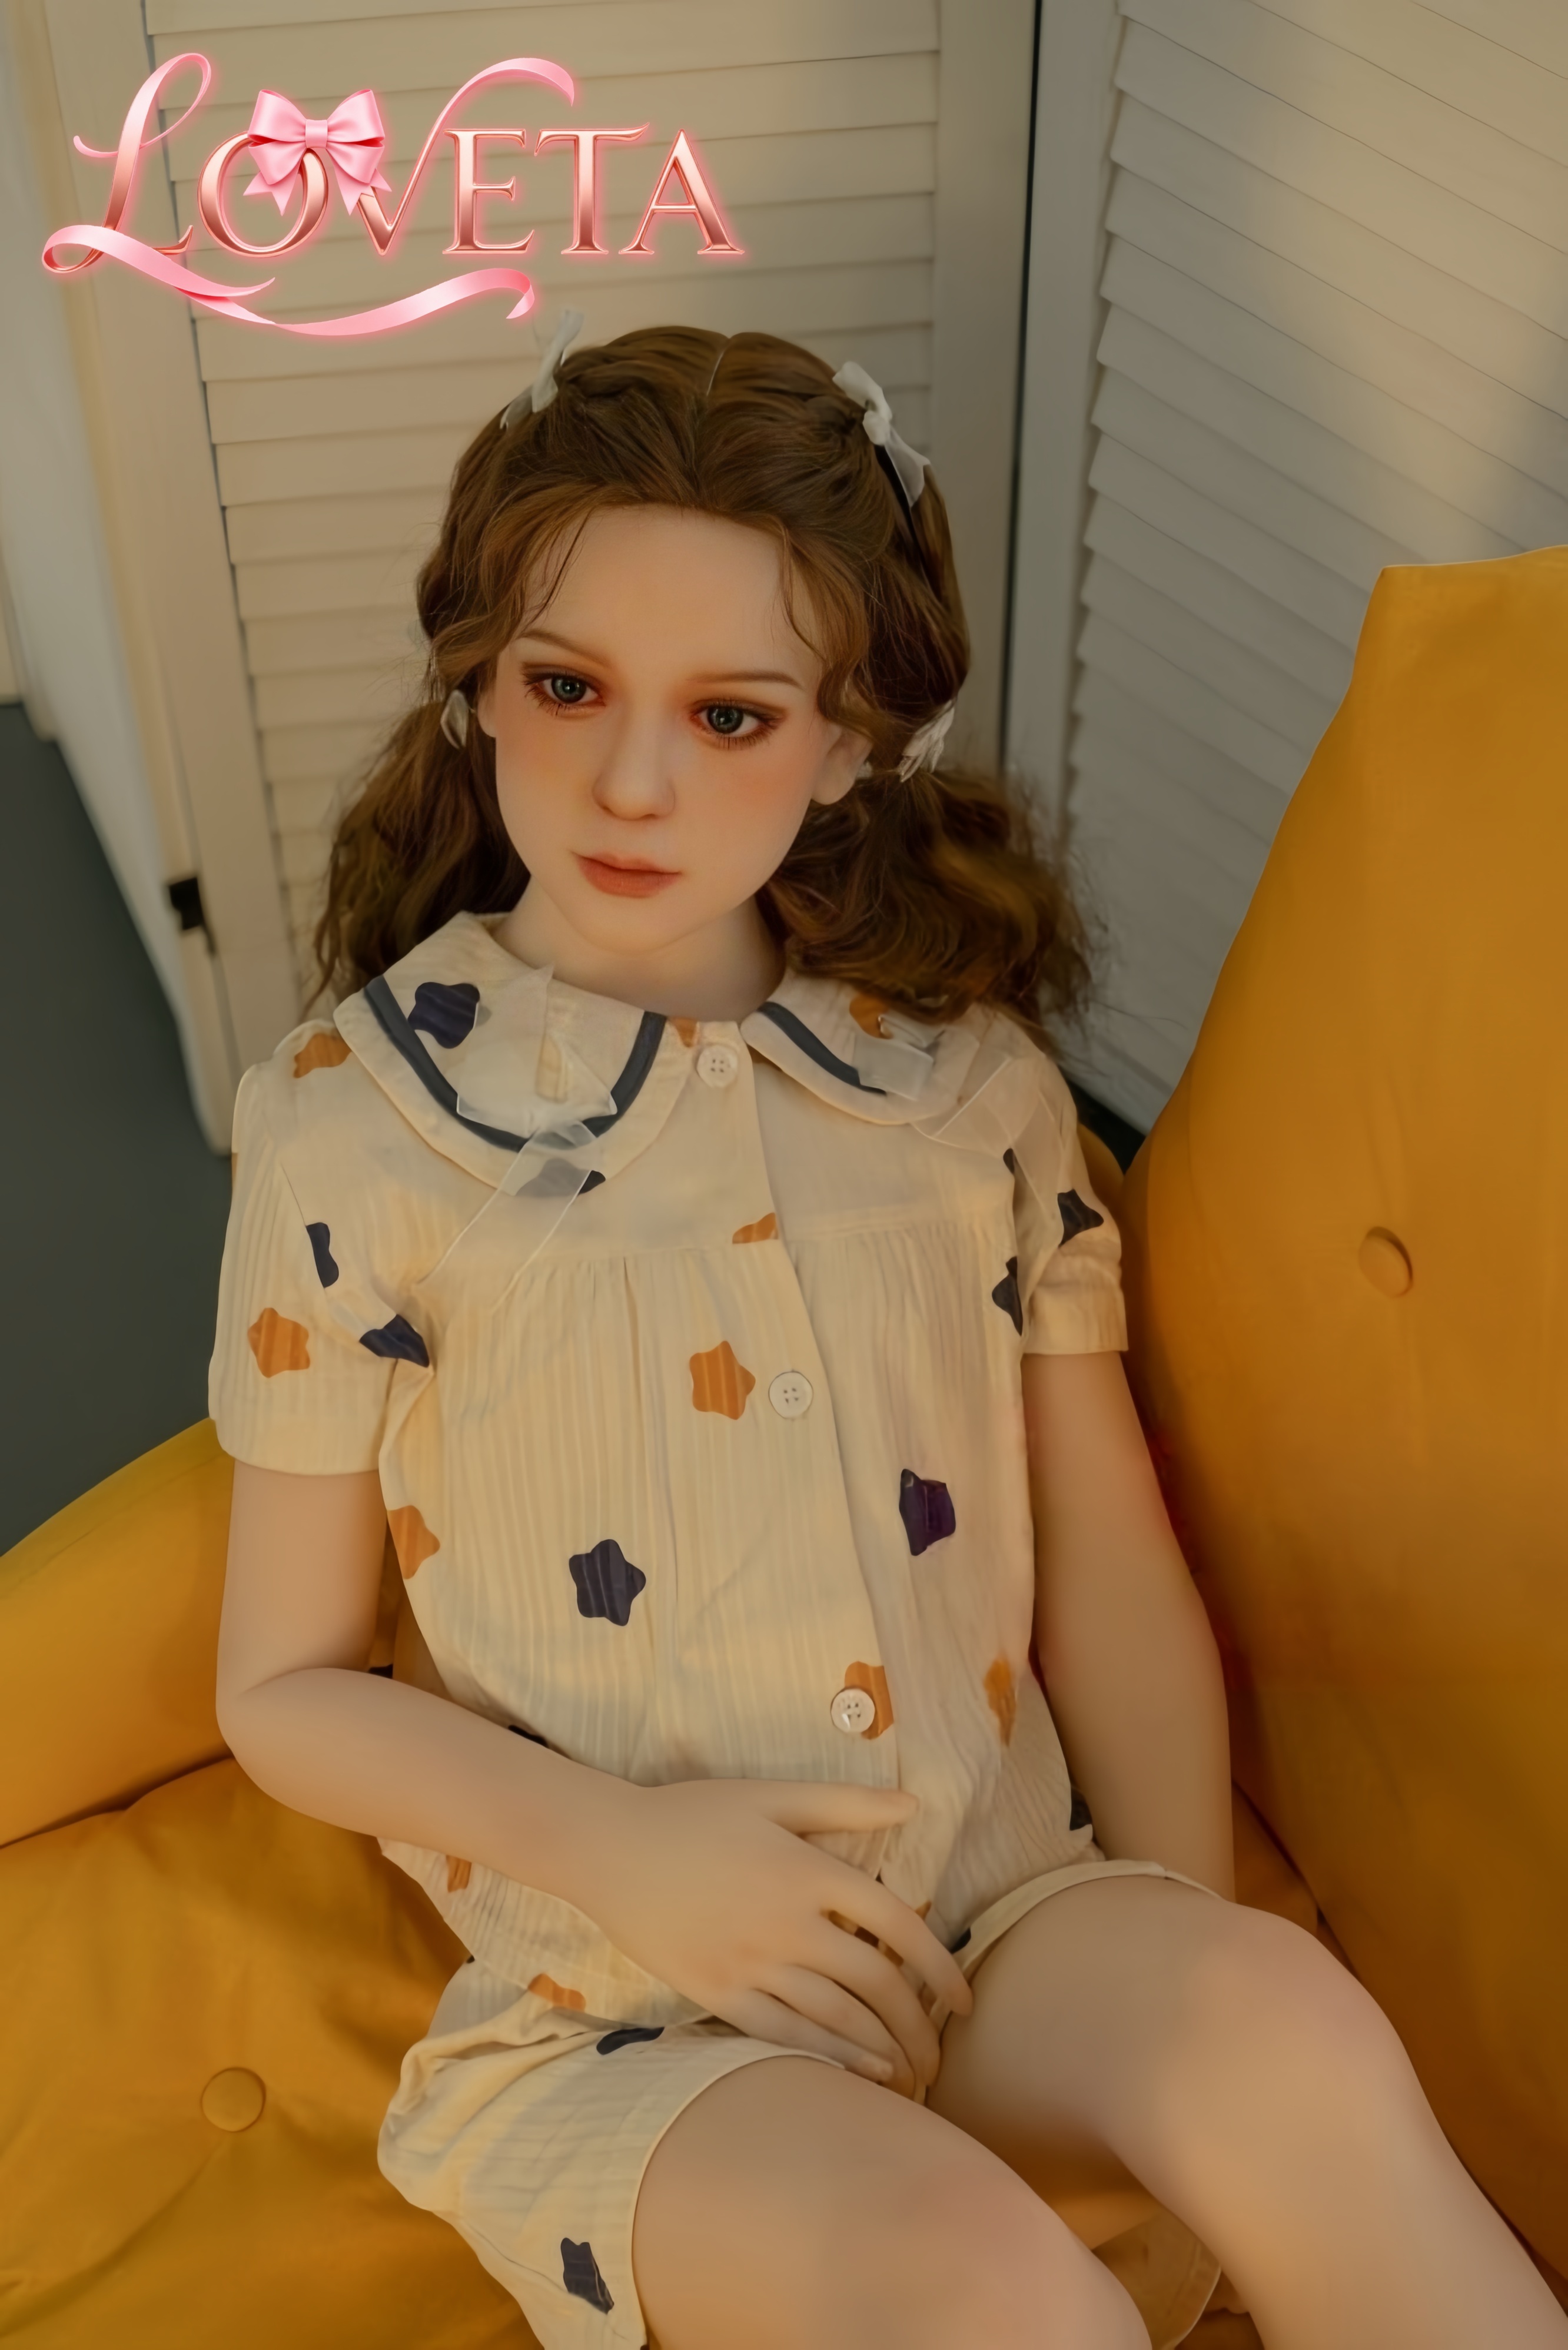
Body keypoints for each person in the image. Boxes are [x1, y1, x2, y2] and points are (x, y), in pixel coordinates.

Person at [210, 320, 1566, 2350]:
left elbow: (1109, 1566)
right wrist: (625, 1855)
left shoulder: (973, 1096)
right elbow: (283, 1685)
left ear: (855, 744)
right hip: (637, 2013)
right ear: (479, 683)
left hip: (1001, 1922)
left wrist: (1178, 1944)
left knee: (1286, 2036)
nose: (636, 781)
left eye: (733, 715)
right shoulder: (353, 1126)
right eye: (568, 686)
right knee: (992, 2297)